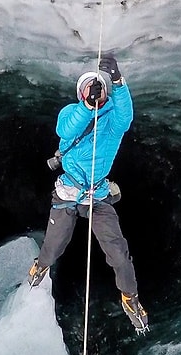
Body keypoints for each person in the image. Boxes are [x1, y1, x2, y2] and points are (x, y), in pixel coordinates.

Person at [27, 55, 149, 334]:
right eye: (88, 87)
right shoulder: (71, 113)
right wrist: (86, 105)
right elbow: (65, 129)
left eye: (98, 87)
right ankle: (41, 266)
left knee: (118, 252)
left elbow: (126, 115)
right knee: (55, 245)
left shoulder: (113, 123)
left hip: (97, 194)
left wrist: (117, 81)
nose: (95, 90)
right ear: (80, 93)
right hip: (69, 190)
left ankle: (130, 298)